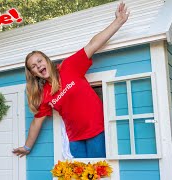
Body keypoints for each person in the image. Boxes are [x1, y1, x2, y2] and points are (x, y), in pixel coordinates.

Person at [13, 2, 129, 158]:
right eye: (33, 66)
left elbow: (93, 44)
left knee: (100, 173)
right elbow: (36, 122)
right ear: (33, 73)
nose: (38, 66)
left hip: (97, 131)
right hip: (75, 140)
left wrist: (118, 21)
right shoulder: (45, 94)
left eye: (39, 61)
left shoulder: (69, 67)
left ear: (47, 60)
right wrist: (27, 147)